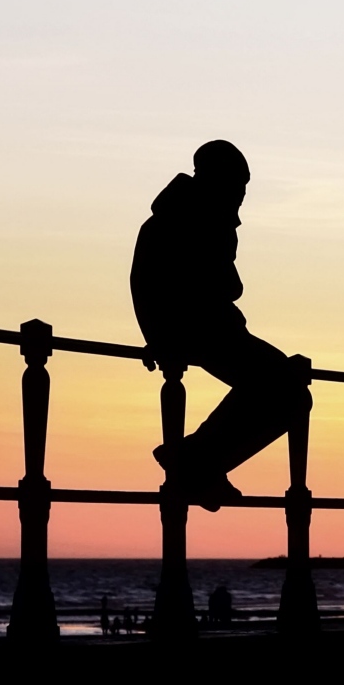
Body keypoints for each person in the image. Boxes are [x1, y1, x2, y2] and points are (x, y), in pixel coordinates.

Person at [130, 140, 312, 512]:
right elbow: (218, 284)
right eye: (239, 188)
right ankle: (198, 461)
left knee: (289, 389)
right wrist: (158, 337)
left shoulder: (192, 217)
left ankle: (199, 462)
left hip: (204, 328)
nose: (241, 200)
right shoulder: (191, 220)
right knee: (288, 390)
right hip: (200, 329)